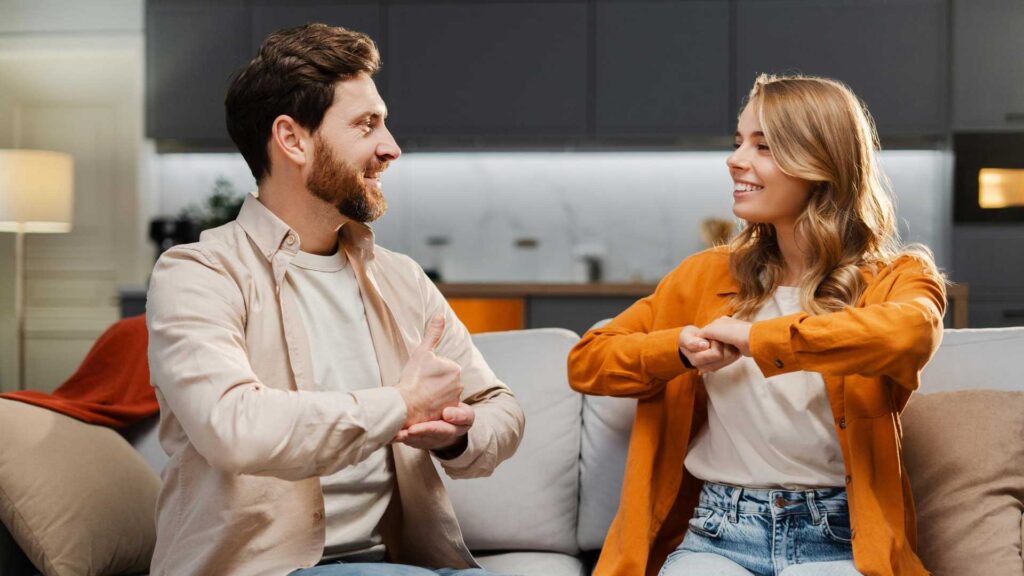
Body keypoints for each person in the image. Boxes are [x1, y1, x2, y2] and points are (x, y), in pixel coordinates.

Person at [146, 23, 525, 576]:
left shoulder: (402, 279)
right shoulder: (199, 273)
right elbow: (234, 426)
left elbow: (501, 407)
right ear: (293, 140)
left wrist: (456, 436)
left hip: (393, 563)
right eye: (367, 124)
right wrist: (401, 403)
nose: (391, 147)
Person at [568, 74, 945, 576]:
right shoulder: (704, 276)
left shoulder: (897, 279)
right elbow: (587, 361)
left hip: (839, 539)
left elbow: (909, 334)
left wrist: (758, 339)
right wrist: (676, 350)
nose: (735, 158)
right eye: (738, 140)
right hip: (718, 532)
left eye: (763, 146)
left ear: (820, 163)